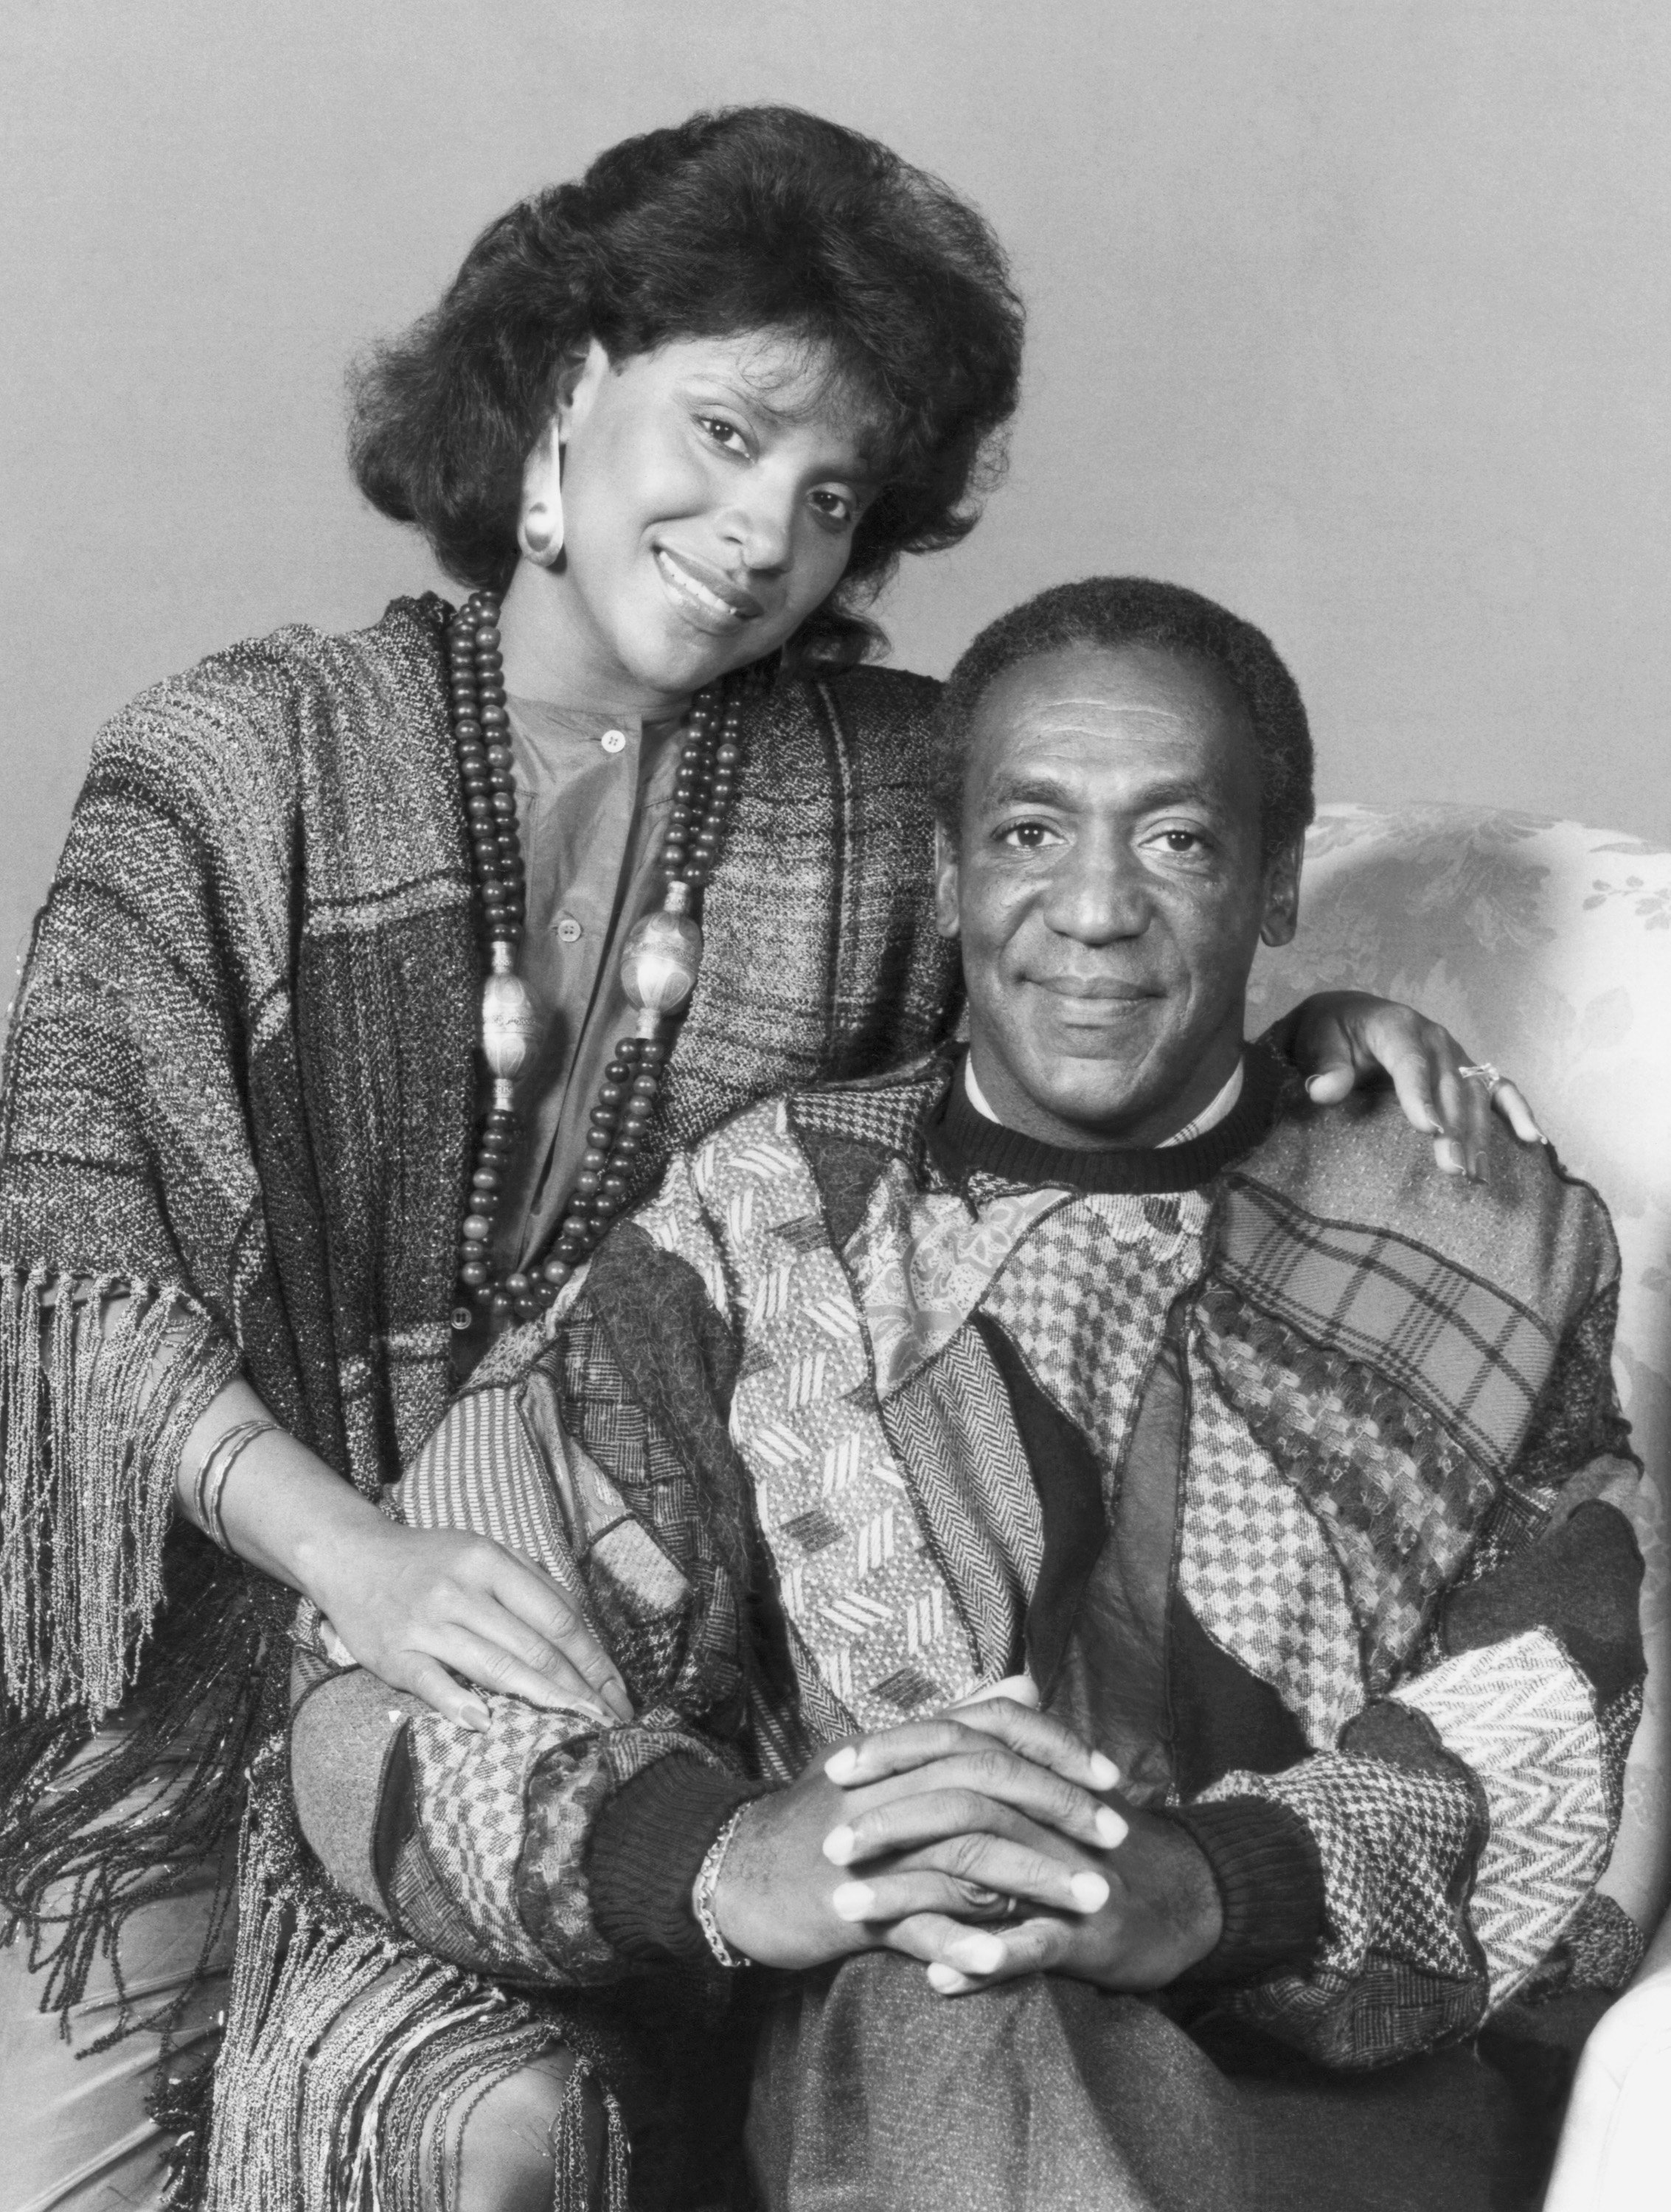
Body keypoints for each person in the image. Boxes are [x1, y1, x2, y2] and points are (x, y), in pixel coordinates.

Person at [0, 109, 1536, 2211]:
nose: (760, 533)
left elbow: (1109, 927)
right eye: (721, 435)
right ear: (559, 393)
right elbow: (67, 1267)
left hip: (649, 1676)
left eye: (827, 498)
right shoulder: (238, 759)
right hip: (204, 1659)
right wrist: (362, 1559)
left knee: (535, 2122)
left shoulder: (873, 779)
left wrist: (1322, 1036)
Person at [285, 577, 1647, 2212]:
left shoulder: (1474, 1234)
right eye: (1024, 835)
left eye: (1175, 842)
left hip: (1318, 2091)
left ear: (1274, 884)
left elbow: (1548, 1730)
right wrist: (721, 1858)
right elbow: (380, 1695)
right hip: (868, 2074)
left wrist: (1204, 1890)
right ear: (943, 875)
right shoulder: (759, 1218)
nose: (1089, 909)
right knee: (956, 2012)